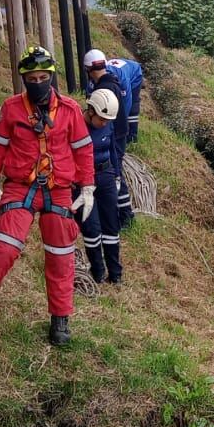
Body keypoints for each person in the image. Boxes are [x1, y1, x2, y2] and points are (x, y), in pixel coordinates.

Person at [0, 46, 96, 346]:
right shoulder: (13, 109)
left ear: (51, 77)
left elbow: (83, 150)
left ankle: (60, 319)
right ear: (24, 79)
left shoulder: (69, 111)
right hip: (21, 186)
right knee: (3, 249)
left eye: (44, 76)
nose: (38, 82)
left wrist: (88, 186)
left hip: (58, 190)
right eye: (32, 77)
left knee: (61, 256)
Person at [82, 49, 145, 221]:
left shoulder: (105, 89)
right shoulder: (113, 82)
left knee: (115, 172)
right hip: (118, 133)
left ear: (87, 69)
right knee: (115, 171)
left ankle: (124, 214)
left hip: (114, 135)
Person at [80, 89, 124, 285]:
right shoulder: (76, 126)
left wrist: (116, 175)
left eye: (108, 120)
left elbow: (113, 149)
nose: (104, 123)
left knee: (111, 225)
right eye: (101, 119)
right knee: (91, 228)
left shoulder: (107, 124)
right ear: (90, 111)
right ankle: (97, 272)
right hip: (82, 181)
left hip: (105, 175)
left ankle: (115, 274)